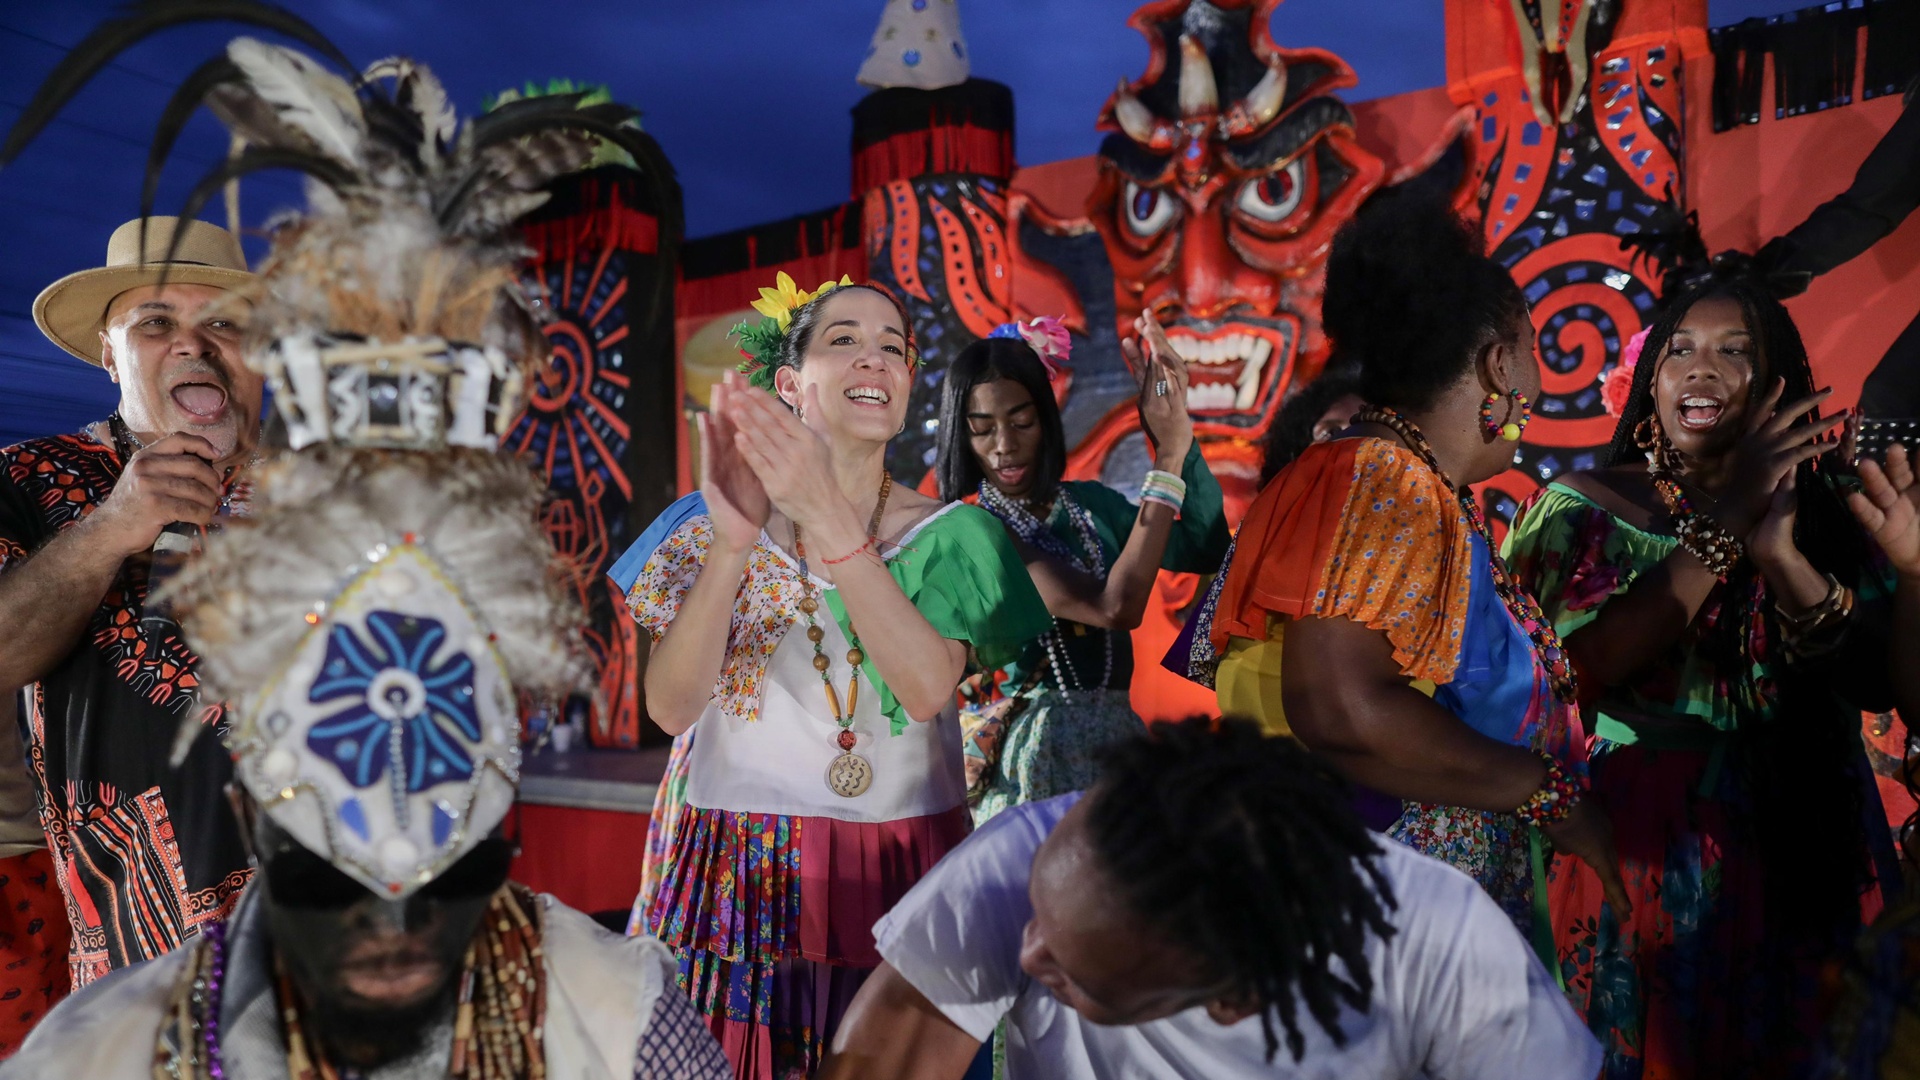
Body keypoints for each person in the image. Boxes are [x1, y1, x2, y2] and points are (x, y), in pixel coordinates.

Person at [621, 274, 1051, 1077]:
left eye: (893, 346)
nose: (874, 358)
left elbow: (925, 690)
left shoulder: (955, 535)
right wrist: (732, 545)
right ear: (791, 383)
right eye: (845, 340)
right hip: (736, 861)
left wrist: (828, 520)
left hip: (893, 857)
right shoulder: (711, 518)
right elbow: (671, 708)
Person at [1501, 275, 1918, 1079]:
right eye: (1680, 351)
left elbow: (1881, 685)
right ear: (1649, 382)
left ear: (1781, 389)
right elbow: (1579, 671)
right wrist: (1730, 515)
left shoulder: (1834, 505)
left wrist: (1786, 562)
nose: (1701, 369)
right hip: (1644, 840)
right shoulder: (1585, 508)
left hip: (1807, 830)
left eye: (1735, 353)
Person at [1190, 196, 1629, 955]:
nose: (1537, 375)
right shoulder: (1385, 479)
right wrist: (1546, 792)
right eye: (1530, 346)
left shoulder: (1393, 476)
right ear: (1498, 363)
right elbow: (1339, 706)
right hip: (1392, 910)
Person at [818, 717, 1604, 1079]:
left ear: (1233, 1000)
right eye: (1036, 921)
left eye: (1070, 977)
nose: (1025, 953)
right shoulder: (1025, 853)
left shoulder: (1443, 937)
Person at [0, 215, 261, 987]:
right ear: (109, 355)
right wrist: (114, 525)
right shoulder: (27, 476)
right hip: (137, 957)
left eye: (224, 322)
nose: (193, 343)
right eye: (155, 322)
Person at [933, 316, 1228, 823]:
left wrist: (1174, 432)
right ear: (962, 437)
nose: (1003, 444)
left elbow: (1205, 551)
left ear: (1047, 419)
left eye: (1021, 422)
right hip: (1036, 755)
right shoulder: (971, 530)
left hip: (1121, 742)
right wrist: (1170, 457)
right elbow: (1115, 607)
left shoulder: (1092, 505)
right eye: (982, 430)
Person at [1163, 364, 1365, 716]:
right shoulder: (1259, 536)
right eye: (1330, 431)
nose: (1345, 444)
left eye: (1365, 430)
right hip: (1268, 748)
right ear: (1297, 448)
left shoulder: (1403, 541)